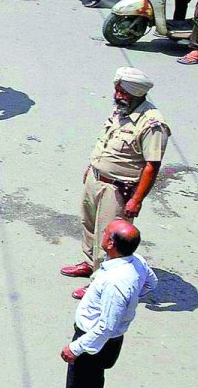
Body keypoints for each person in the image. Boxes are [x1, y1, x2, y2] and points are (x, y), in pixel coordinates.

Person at [43, 220, 154, 388]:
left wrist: (77, 347)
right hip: (101, 340)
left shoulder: (117, 281)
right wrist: (132, 301)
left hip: (95, 343)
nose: (102, 234)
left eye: (105, 233)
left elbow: (105, 327)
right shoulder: (136, 263)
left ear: (112, 243)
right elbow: (151, 284)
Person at [63, 68, 168, 283]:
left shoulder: (152, 124)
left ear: (138, 93)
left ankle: (101, 282)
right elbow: (106, 143)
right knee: (89, 224)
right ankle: (90, 262)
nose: (119, 96)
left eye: (124, 92)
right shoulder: (120, 111)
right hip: (96, 179)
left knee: (111, 238)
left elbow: (152, 166)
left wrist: (136, 200)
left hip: (118, 189)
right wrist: (92, 167)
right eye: (117, 90)